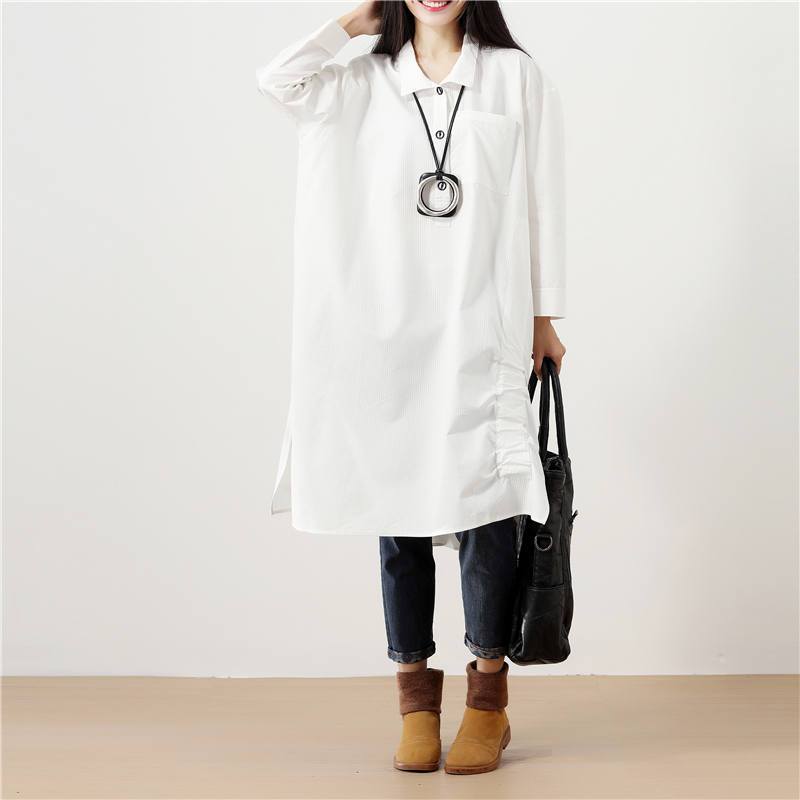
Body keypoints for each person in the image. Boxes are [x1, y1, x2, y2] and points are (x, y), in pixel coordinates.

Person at [256, 0, 567, 775]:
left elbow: (542, 200)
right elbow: (279, 81)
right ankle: (416, 704)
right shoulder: (359, 82)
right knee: (397, 517)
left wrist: (544, 316)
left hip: (480, 325)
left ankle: (487, 702)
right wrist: (351, 25)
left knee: (486, 512)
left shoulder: (513, 75)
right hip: (382, 338)